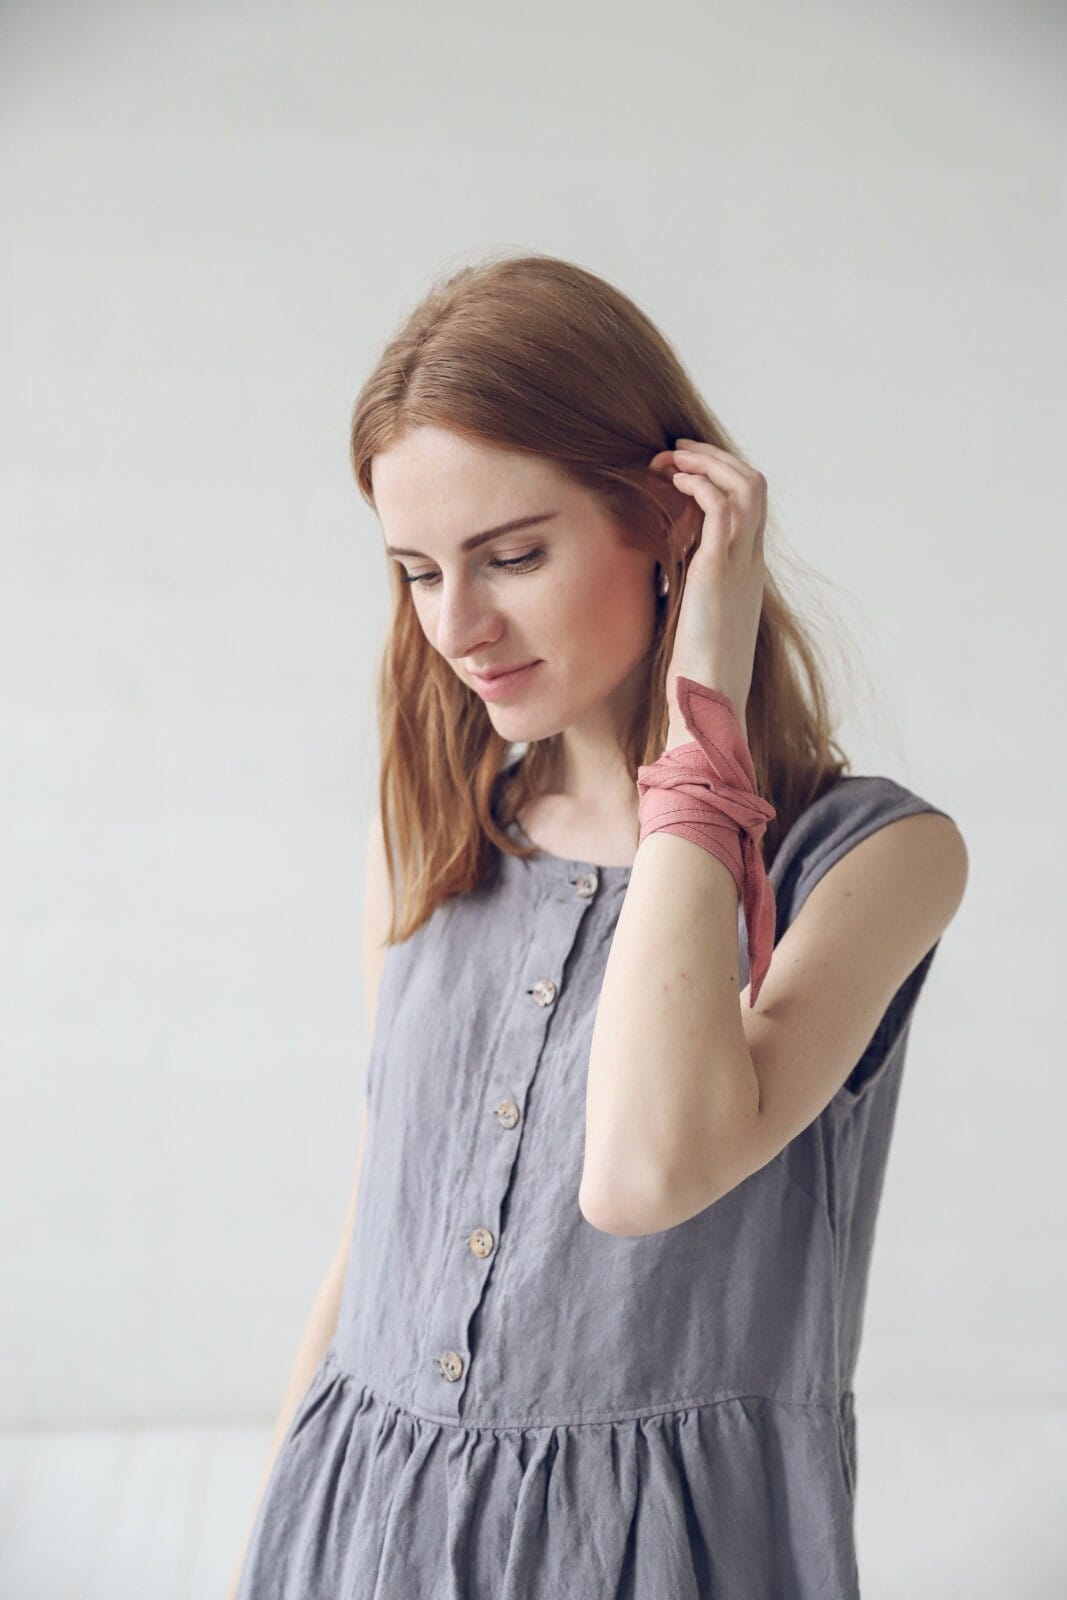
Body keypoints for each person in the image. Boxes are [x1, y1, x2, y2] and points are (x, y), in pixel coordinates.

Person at [227, 253, 968, 1599]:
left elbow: (643, 1170)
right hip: (355, 1534)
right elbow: (367, 1249)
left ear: (670, 525)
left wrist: (706, 701)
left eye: (511, 556)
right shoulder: (445, 832)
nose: (458, 624)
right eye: (415, 572)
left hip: (652, 1559)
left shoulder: (876, 862)